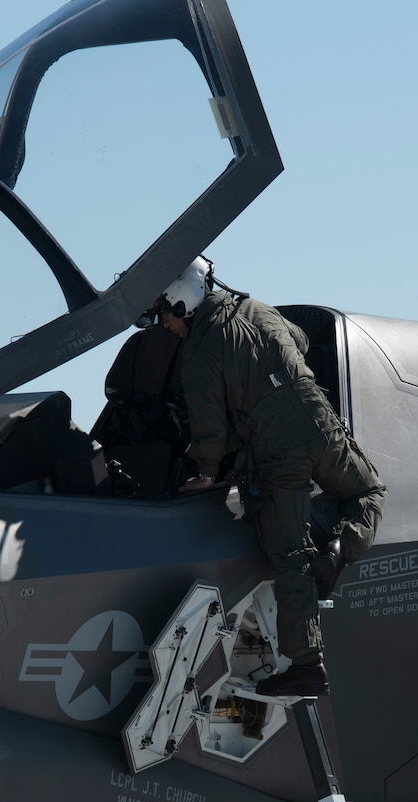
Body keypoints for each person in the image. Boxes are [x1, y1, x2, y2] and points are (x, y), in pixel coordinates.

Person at [148, 257, 386, 697]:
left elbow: (210, 427)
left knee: (289, 556)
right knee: (369, 490)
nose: (163, 324)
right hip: (321, 426)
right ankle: (340, 547)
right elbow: (298, 339)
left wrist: (205, 472)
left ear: (179, 301)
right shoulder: (257, 307)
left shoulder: (199, 353)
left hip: (279, 453)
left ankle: (306, 666)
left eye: (161, 313)